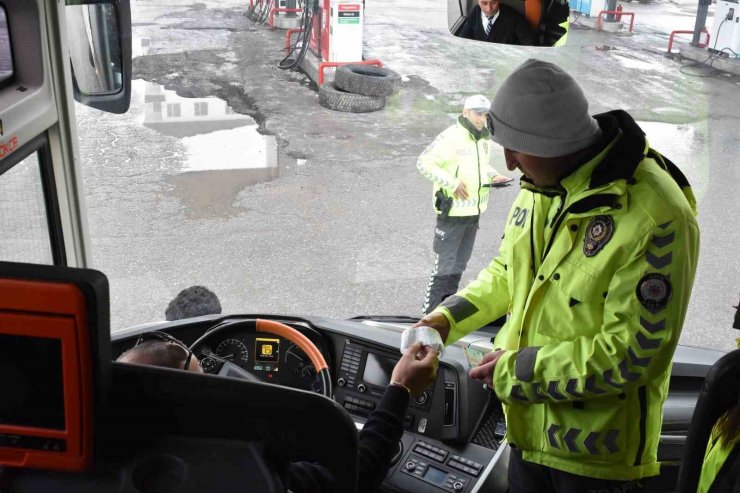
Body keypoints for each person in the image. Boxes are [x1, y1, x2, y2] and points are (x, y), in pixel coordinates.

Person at [415, 59, 700, 492]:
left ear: (552, 143)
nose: (509, 164)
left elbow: (633, 354)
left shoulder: (655, 216)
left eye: (515, 149)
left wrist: (514, 372)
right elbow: (508, 272)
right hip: (526, 437)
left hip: (594, 463)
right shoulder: (542, 184)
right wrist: (444, 319)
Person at [118, 332, 439, 493]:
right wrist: (401, 387)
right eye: (204, 379)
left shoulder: (111, 457)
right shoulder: (238, 467)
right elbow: (358, 475)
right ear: (185, 401)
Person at [417, 94, 512, 315]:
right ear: (465, 112)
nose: (482, 119)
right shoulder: (451, 137)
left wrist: (494, 176)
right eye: (478, 114)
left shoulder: (483, 140)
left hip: (474, 213)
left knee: (459, 265)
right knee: (444, 266)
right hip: (452, 214)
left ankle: (445, 312)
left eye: (486, 115)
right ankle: (429, 314)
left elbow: (480, 169)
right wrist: (452, 182)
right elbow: (424, 163)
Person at [458, 0, 536, 46]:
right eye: (484, 3)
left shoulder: (515, 18)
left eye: (493, 2)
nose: (489, 9)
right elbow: (462, 37)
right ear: (477, 1)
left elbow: (530, 44)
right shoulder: (476, 11)